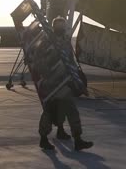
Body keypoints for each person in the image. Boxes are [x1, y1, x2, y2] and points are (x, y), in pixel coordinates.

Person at [39, 16, 93, 151]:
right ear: (53, 27)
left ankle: (72, 137)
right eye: (59, 26)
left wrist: (76, 79)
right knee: (51, 111)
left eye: (63, 26)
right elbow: (39, 60)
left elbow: (70, 62)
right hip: (52, 83)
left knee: (67, 110)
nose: (62, 29)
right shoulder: (47, 41)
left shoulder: (65, 42)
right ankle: (44, 138)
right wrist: (47, 72)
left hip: (64, 82)